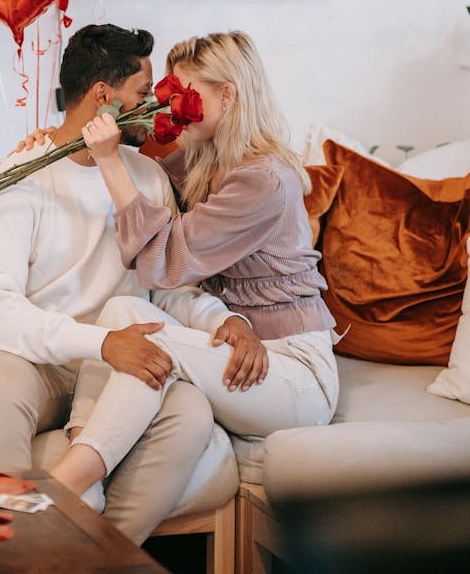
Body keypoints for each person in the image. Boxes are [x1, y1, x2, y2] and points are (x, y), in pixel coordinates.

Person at [0, 23, 253, 544]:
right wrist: (104, 343)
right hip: (29, 359)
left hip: (122, 360)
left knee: (191, 412)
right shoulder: (22, 175)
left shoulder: (147, 176)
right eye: (143, 92)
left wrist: (225, 318)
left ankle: (95, 555)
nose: (155, 105)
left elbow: (167, 286)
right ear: (103, 97)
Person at [49, 30, 340, 502]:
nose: (172, 104)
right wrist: (61, 145)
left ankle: (69, 481)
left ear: (227, 95)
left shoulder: (265, 180)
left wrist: (108, 161)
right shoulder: (201, 162)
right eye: (169, 92)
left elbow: (164, 260)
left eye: (187, 93)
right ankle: (82, 453)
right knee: (124, 312)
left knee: (148, 339)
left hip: (294, 373)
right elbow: (137, 189)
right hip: (240, 351)